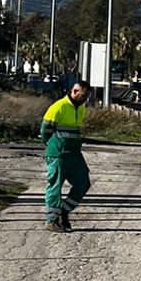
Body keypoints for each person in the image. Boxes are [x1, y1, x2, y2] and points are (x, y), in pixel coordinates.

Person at [41, 79, 93, 232]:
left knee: (83, 182)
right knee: (55, 186)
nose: (85, 99)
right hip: (58, 154)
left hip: (74, 154)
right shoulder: (58, 107)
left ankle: (64, 211)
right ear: (75, 91)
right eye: (83, 96)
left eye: (87, 97)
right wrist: (53, 146)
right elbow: (45, 132)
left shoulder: (81, 109)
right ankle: (52, 220)